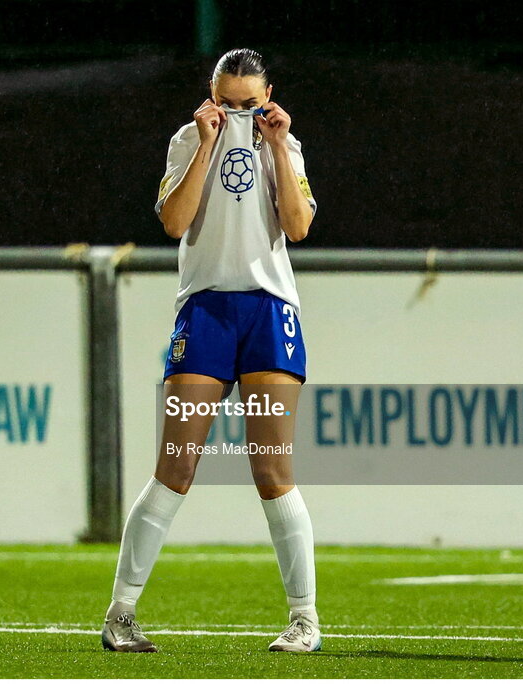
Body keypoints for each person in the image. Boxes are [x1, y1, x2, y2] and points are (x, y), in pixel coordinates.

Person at [101, 48, 320, 654]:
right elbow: (174, 222)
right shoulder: (185, 139)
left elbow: (298, 228)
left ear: (269, 94)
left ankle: (304, 619)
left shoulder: (287, 146)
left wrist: (277, 146)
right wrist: (204, 143)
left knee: (271, 470)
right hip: (205, 314)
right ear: (211, 94)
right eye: (228, 102)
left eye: (251, 104)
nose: (239, 114)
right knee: (176, 463)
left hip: (269, 313)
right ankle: (121, 614)